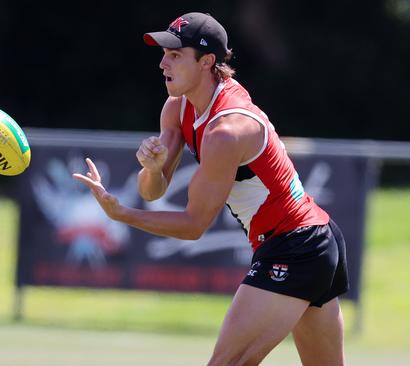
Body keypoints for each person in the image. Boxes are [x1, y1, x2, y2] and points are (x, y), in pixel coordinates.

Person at [73, 12, 348, 365]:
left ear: (207, 62)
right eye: (164, 53)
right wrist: (153, 169)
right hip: (310, 240)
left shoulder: (226, 131)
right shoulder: (178, 107)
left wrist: (120, 214)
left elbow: (193, 225)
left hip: (296, 246)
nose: (162, 63)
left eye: (175, 55)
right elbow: (152, 189)